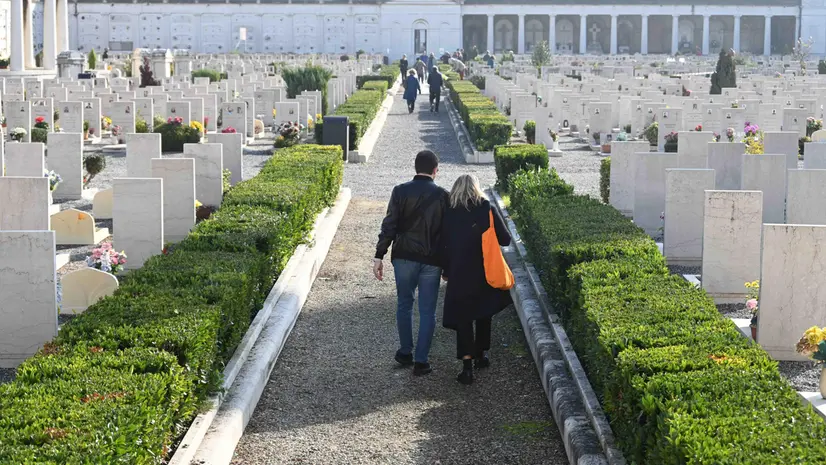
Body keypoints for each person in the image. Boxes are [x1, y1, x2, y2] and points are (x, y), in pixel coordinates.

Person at [374, 150, 449, 377]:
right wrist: (448, 264)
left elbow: (389, 226)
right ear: (436, 170)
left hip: (404, 256)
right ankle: (421, 360)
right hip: (431, 259)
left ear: (415, 167)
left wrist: (379, 255)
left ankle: (405, 350)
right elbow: (447, 234)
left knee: (404, 304)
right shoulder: (443, 196)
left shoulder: (399, 191)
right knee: (427, 311)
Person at [440, 174, 512, 385]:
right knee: (483, 312)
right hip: (484, 271)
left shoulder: (450, 212)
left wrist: (446, 270)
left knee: (463, 318)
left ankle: (467, 366)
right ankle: (482, 353)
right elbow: (506, 239)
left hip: (459, 273)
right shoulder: (486, 208)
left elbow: (444, 245)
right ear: (476, 188)